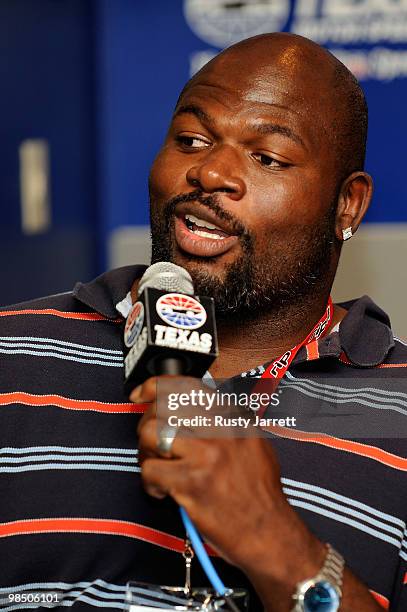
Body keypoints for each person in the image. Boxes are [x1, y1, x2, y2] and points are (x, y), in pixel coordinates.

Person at [0, 32, 405, 612]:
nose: (211, 172)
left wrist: (279, 545)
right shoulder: (11, 353)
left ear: (347, 206)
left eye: (267, 157)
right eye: (191, 139)